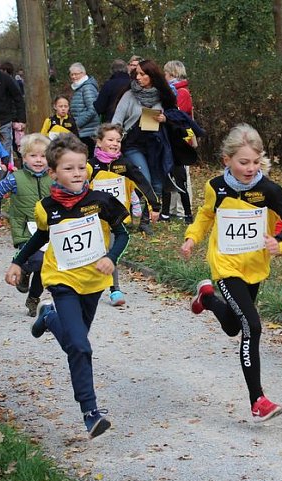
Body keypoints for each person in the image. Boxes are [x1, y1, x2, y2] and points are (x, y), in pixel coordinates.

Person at [3, 134, 130, 438]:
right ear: (53, 173)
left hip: (93, 282)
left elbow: (123, 234)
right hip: (62, 280)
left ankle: (48, 317)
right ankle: (90, 412)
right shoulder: (46, 208)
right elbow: (41, 236)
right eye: (69, 168)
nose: (77, 174)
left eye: (81, 167)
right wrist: (18, 262)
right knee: (81, 346)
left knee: (75, 342)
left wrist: (111, 257)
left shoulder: (100, 202)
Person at [180, 124, 282, 422]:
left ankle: (207, 298)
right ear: (227, 160)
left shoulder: (269, 190)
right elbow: (206, 214)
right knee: (252, 326)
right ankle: (257, 400)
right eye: (243, 162)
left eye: (256, 162)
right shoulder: (215, 187)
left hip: (254, 266)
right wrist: (192, 238)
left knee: (233, 327)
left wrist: (280, 243)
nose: (250, 168)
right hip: (225, 265)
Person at [88, 123, 161, 305]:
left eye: (118, 141)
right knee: (94, 253)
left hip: (115, 218)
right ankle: (85, 286)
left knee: (111, 253)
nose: (115, 144)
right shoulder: (90, 166)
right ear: (99, 142)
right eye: (110, 140)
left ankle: (115, 290)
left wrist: (154, 206)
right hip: (93, 218)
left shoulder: (124, 164)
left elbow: (142, 183)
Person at [0, 133, 52, 317]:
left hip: (48, 229)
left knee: (45, 265)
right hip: (24, 228)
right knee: (37, 260)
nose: (38, 160)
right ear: (24, 158)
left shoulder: (53, 178)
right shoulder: (15, 178)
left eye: (43, 156)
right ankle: (23, 269)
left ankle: (33, 297)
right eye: (33, 155)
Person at [111, 59, 177, 235]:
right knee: (144, 179)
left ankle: (145, 221)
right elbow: (116, 120)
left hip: (155, 146)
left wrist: (165, 119)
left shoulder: (163, 96)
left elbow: (176, 117)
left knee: (157, 183)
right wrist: (114, 141)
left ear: (152, 76)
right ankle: (128, 212)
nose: (138, 77)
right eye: (137, 74)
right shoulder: (129, 95)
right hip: (133, 145)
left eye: (142, 74)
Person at [163, 59, 195, 221]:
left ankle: (183, 211)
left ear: (172, 73)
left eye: (165, 73)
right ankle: (172, 209)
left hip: (181, 139)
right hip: (172, 138)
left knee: (182, 177)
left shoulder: (182, 92)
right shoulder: (172, 90)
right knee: (172, 175)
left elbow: (178, 115)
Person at [68, 63, 100, 156]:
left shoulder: (87, 87)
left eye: (76, 74)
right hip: (82, 131)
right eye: (72, 74)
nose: (73, 77)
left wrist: (76, 124)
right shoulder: (79, 87)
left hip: (88, 132)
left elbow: (92, 109)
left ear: (83, 73)